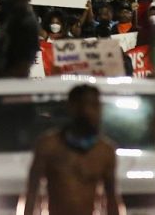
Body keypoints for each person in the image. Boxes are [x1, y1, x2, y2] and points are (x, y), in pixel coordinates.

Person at [23, 84, 124, 215]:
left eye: (96, 106)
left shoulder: (105, 151)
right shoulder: (49, 145)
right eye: (86, 105)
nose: (92, 112)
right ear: (72, 107)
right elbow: (32, 194)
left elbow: (111, 198)